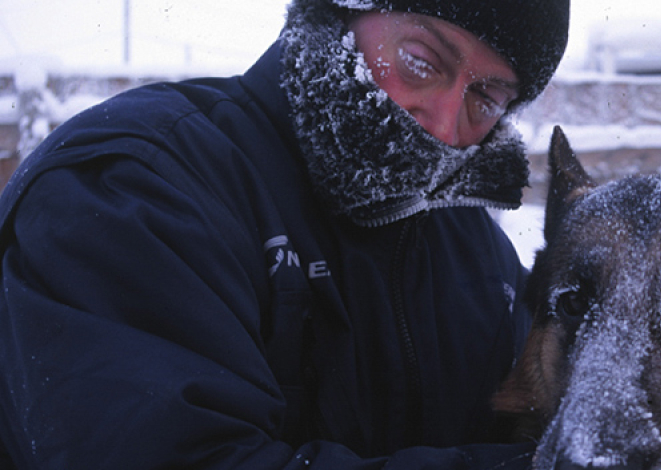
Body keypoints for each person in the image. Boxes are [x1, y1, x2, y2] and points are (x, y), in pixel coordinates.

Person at [0, 0, 570, 468]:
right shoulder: (135, 185)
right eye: (422, 62)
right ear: (342, 14)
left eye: (485, 99)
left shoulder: (475, 247)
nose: (445, 126)